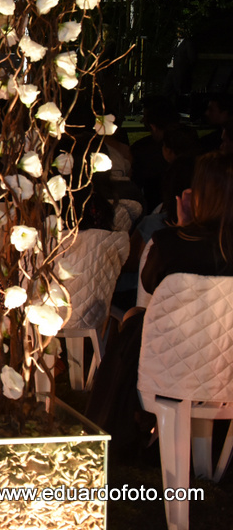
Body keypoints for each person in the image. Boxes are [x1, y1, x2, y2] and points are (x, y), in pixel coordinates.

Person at [88, 151, 233, 455]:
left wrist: (180, 230)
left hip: (173, 366)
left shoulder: (171, 245)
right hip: (226, 366)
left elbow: (150, 286)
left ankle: (125, 423)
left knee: (136, 320)